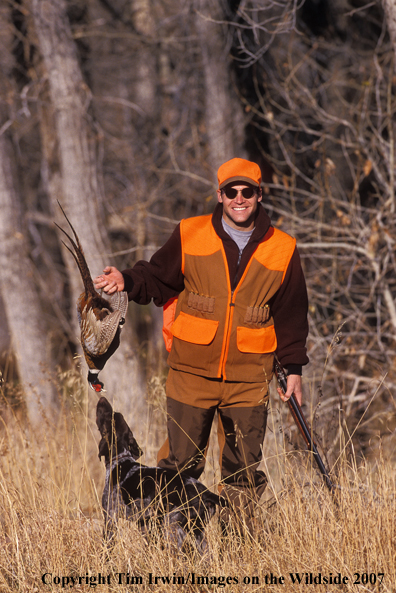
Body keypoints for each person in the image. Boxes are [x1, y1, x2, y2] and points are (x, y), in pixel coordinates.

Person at [94, 157, 309, 527]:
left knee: (243, 471)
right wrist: (126, 280)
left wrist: (293, 370)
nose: (239, 199)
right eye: (231, 191)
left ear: (260, 195)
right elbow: (158, 277)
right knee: (179, 464)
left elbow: (291, 313)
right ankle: (167, 541)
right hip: (191, 374)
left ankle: (238, 547)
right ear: (220, 195)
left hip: (249, 379)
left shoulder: (283, 248)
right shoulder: (191, 233)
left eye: (247, 192)